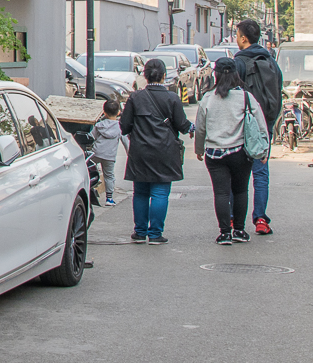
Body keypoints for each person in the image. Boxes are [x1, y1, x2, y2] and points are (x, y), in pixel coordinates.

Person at [194, 57, 268, 245]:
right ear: (236, 74)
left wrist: (199, 149)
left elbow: (200, 128)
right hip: (240, 153)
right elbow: (260, 126)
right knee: (241, 191)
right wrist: (264, 150)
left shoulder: (208, 99)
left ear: (216, 75)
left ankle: (224, 233)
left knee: (221, 193)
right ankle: (240, 231)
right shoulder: (245, 97)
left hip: (214, 154)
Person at [120, 57, 192, 244]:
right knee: (160, 193)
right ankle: (155, 234)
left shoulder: (135, 97)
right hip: (165, 151)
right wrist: (193, 129)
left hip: (140, 151)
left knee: (141, 192)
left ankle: (140, 231)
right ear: (164, 76)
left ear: (144, 75)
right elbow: (182, 125)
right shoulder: (172, 98)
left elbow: (125, 126)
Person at [233, 18, 283, 234]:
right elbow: (277, 92)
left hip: (243, 125)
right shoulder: (271, 61)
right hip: (266, 123)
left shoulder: (239, 62)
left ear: (243, 39)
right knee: (261, 173)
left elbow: (231, 95)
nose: (236, 40)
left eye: (236, 36)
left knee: (239, 174)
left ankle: (236, 219)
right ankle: (261, 219)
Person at [92, 98, 128, 207]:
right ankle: (109, 198)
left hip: (96, 153)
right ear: (118, 113)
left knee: (90, 170)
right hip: (109, 156)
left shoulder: (99, 125)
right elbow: (126, 142)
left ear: (104, 112)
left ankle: (90, 189)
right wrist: (130, 154)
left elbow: (91, 137)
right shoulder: (120, 127)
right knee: (109, 176)